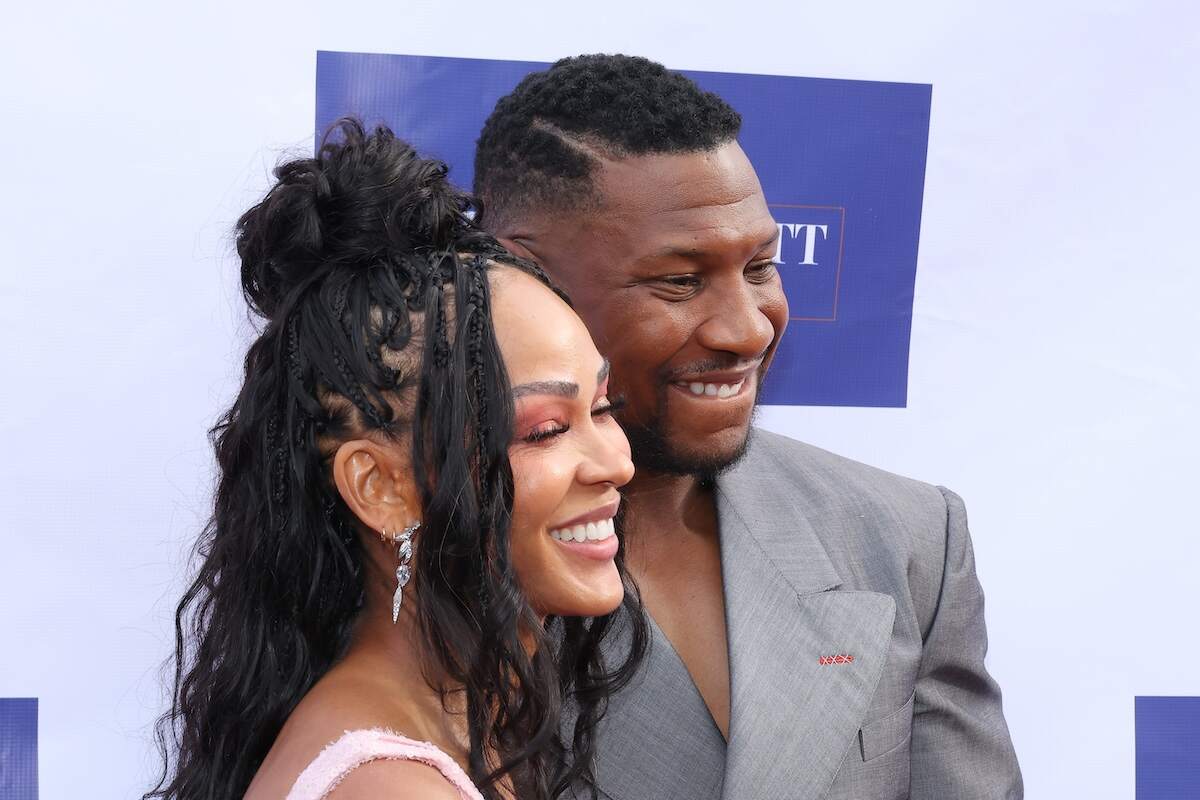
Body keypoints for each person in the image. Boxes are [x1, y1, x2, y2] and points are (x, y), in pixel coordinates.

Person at [474, 55, 1023, 799]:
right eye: (679, 280)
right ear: (521, 277)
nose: (746, 329)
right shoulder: (423, 564)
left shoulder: (906, 539)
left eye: (761, 266)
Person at [146, 120, 648, 800]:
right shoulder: (391, 786)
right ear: (380, 486)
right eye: (547, 429)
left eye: (604, 407)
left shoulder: (448, 729)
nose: (615, 462)